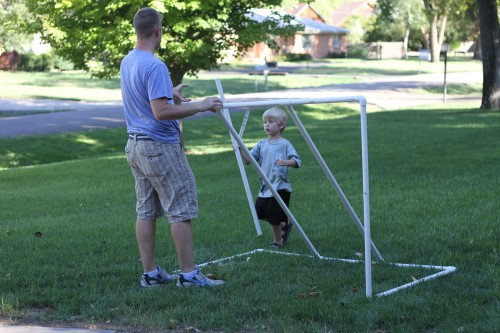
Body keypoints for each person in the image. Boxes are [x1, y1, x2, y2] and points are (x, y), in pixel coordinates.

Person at [120, 7, 224, 288]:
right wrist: (201, 105)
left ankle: (151, 275)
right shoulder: (155, 65)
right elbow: (161, 112)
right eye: (162, 28)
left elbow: (149, 99)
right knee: (180, 209)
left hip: (136, 146)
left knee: (146, 211)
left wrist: (171, 93)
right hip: (159, 147)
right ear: (157, 31)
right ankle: (189, 276)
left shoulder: (129, 61)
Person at [238, 106, 301, 248]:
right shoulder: (261, 144)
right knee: (258, 213)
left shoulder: (285, 144)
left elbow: (297, 161)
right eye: (265, 122)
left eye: (271, 121)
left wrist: (286, 162)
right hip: (265, 186)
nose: (267, 125)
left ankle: (278, 241)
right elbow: (249, 160)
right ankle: (284, 224)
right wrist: (240, 150)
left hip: (280, 186)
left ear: (281, 125)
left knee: (273, 217)